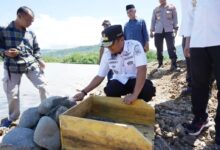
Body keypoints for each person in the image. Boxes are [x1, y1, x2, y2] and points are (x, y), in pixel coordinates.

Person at [74, 25, 156, 104]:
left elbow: (142, 70)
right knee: (110, 89)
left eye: (111, 45)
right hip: (119, 81)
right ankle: (119, 105)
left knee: (147, 90)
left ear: (121, 40)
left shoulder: (135, 46)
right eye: (106, 46)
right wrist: (83, 92)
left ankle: (136, 102)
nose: (109, 48)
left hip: (135, 80)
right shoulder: (107, 53)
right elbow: (100, 76)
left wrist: (134, 95)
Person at [0, 6, 48, 127]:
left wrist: (40, 60)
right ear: (19, 16)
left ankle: (47, 111)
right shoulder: (3, 30)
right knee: (13, 95)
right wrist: (5, 52)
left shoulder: (31, 33)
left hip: (31, 65)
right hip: (12, 67)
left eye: (32, 21)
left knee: (43, 87)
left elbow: (36, 49)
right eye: (28, 20)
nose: (30, 23)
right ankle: (13, 117)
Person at [182, 1, 220, 148]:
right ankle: (200, 118)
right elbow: (189, 14)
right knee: (198, 84)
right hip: (198, 41)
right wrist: (187, 41)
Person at [150, 0, 179, 70]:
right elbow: (153, 20)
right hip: (158, 31)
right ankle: (160, 64)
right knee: (159, 48)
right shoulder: (155, 9)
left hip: (169, 30)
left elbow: (175, 18)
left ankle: (174, 64)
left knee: (171, 47)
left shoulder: (172, 7)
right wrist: (151, 31)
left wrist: (176, 28)